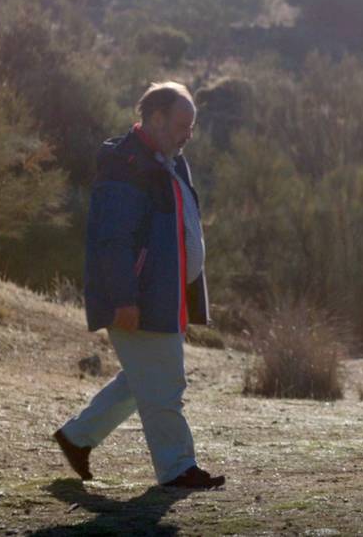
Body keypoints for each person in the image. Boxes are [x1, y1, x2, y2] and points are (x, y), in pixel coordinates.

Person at [53, 81, 224, 489]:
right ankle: (178, 468)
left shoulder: (170, 160)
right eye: (183, 124)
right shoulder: (126, 165)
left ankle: (77, 438)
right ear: (157, 118)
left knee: (141, 381)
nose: (188, 134)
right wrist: (125, 300)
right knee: (165, 385)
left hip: (165, 298)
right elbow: (113, 241)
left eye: (192, 127)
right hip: (140, 300)